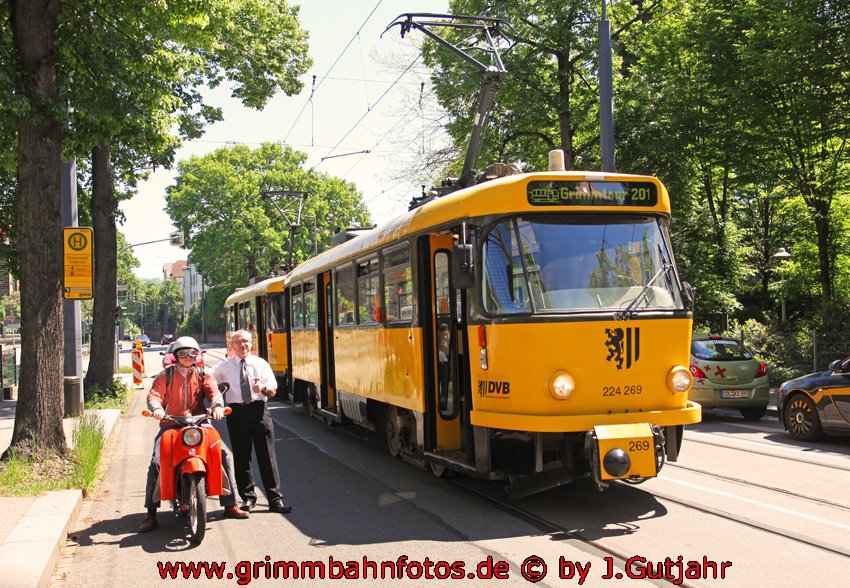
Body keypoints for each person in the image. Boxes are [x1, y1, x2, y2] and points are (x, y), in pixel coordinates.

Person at [138, 336, 248, 533]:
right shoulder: (166, 376)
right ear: (176, 356)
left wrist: (217, 406)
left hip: (199, 422)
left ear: (197, 355)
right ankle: (151, 513)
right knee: (157, 461)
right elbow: (154, 395)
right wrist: (157, 409)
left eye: (192, 353)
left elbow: (213, 392)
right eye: (183, 353)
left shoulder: (203, 375)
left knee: (222, 456)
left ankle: (231, 504)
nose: (188, 357)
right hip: (171, 423)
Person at [213, 330, 291, 514]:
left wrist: (262, 388)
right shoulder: (223, 367)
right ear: (232, 345)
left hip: (258, 411)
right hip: (236, 412)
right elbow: (207, 381)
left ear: (252, 342)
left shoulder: (260, 364)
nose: (243, 345)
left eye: (246, 341)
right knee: (241, 457)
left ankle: (275, 499)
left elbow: (273, 390)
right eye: (238, 342)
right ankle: (248, 498)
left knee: (267, 456)